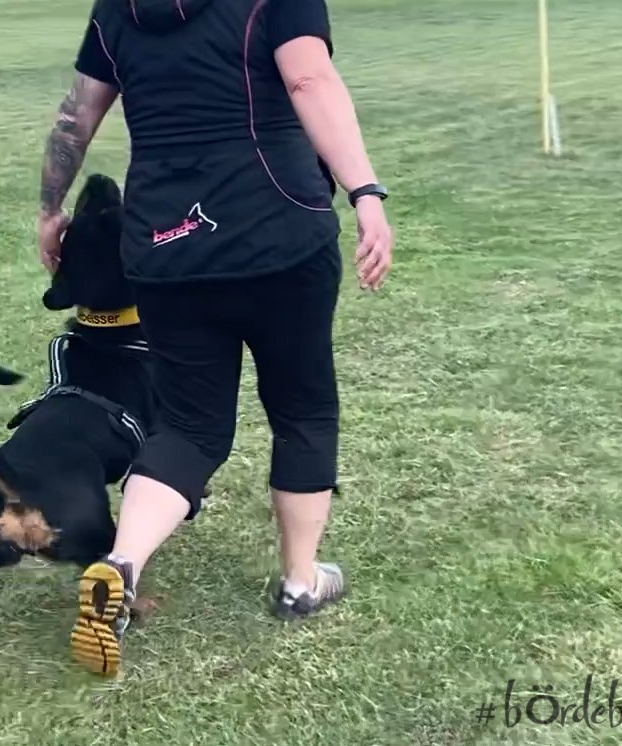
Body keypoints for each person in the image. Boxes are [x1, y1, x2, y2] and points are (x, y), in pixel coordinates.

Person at [35, 0, 394, 677]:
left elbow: (76, 114)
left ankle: (121, 564)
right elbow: (309, 79)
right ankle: (300, 582)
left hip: (165, 246)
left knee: (190, 427)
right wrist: (365, 192)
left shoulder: (118, 7)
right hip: (280, 234)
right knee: (303, 409)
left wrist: (51, 207)